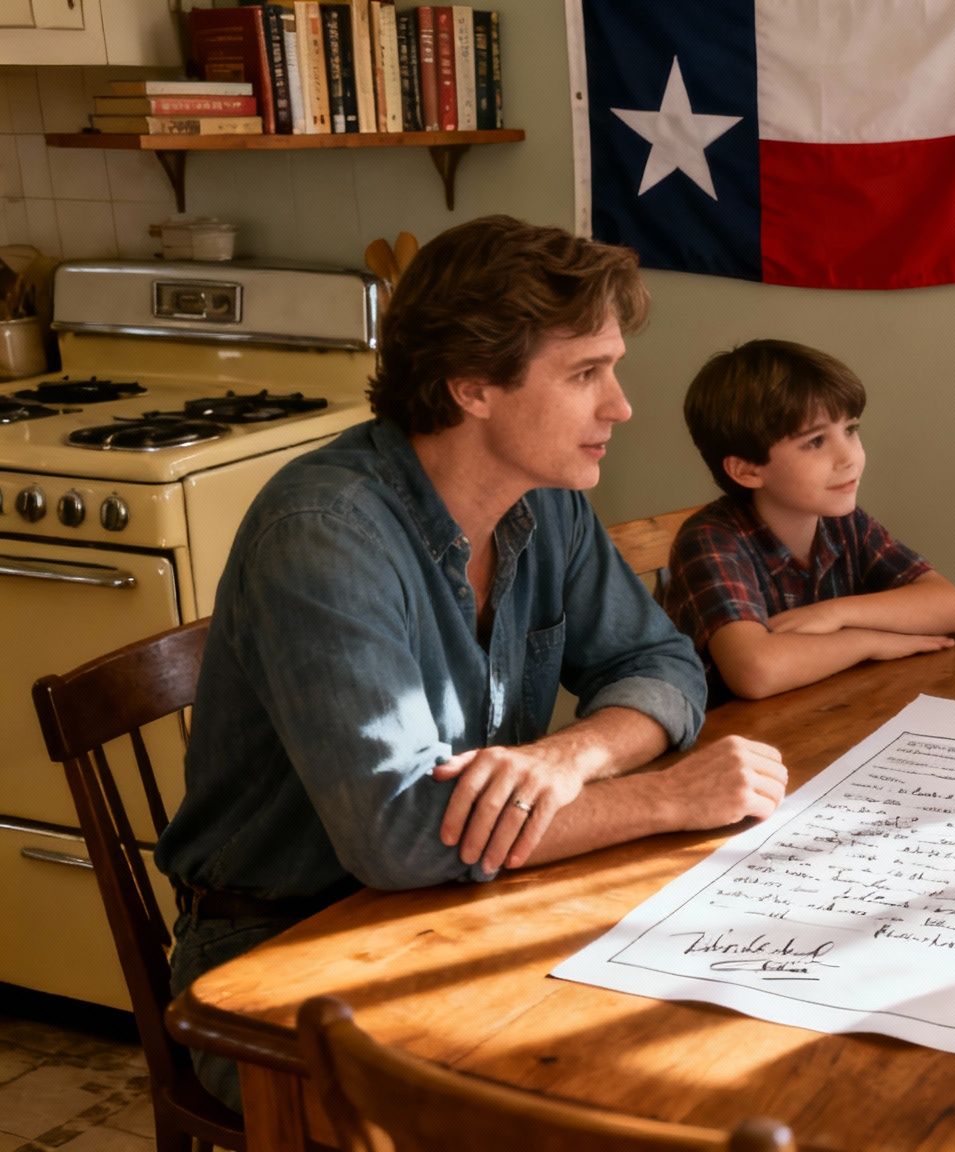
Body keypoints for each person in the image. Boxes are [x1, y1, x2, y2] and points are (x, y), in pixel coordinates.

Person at [154, 217, 790, 1109]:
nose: (621, 405)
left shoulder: (546, 499)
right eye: (584, 374)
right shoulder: (325, 535)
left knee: (726, 1048)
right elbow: (403, 832)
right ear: (472, 389)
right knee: (620, 1100)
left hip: (457, 910)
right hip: (282, 964)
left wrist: (571, 756)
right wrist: (668, 796)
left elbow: (659, 660)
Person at [666, 339, 955, 700]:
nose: (849, 457)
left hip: (822, 718)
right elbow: (755, 670)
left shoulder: (843, 523)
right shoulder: (710, 541)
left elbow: (951, 607)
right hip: (728, 745)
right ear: (747, 471)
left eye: (851, 430)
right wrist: (866, 641)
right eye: (815, 442)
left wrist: (836, 613)